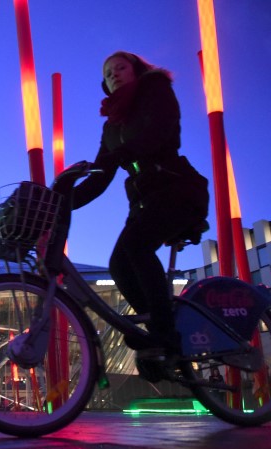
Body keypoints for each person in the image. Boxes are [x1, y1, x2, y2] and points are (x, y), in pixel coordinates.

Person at [69, 51, 209, 369]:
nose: (114, 73)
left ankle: (164, 334)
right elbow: (100, 178)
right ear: (104, 84)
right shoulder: (112, 126)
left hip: (177, 191)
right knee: (119, 265)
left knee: (137, 247)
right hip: (145, 201)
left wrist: (121, 154)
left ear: (136, 70)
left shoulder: (155, 89)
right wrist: (62, 200)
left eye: (120, 67)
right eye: (107, 72)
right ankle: (157, 331)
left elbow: (159, 130)